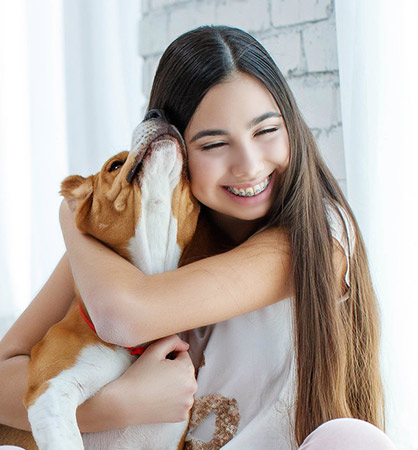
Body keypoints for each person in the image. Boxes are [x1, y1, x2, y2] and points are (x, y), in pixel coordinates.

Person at [0, 25, 396, 449]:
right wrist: (119, 406)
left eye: (266, 131)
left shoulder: (319, 238)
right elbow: (6, 372)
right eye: (213, 144)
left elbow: (122, 317)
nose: (248, 165)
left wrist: (72, 212)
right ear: (173, 147)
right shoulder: (151, 242)